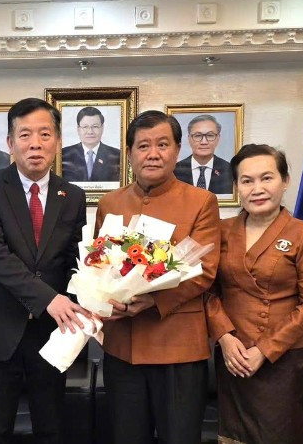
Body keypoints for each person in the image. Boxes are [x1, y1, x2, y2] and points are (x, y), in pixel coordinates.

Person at [0, 98, 89, 444]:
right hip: (0, 328)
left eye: (45, 134)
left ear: (58, 141)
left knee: (51, 427)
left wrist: (87, 301)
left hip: (52, 331)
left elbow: (74, 259)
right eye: (25, 135)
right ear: (10, 143)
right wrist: (49, 299)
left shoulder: (72, 195)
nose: (35, 143)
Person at [94, 110, 221, 444]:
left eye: (162, 145)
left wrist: (154, 299)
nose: (153, 154)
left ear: (177, 150)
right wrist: (104, 296)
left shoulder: (202, 202)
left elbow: (205, 270)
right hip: (123, 347)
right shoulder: (110, 203)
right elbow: (99, 264)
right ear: (130, 153)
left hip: (178, 348)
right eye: (143, 146)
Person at [206, 143, 303, 444]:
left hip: (283, 360)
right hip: (233, 357)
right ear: (237, 187)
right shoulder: (220, 231)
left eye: (267, 178)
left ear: (285, 181)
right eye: (247, 181)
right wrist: (224, 338)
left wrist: (263, 350)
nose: (257, 189)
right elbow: (207, 291)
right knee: (234, 435)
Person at [174, 114, 233, 195]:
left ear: (218, 138)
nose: (204, 142)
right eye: (198, 136)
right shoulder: (174, 171)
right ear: (189, 139)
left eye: (210, 135)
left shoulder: (229, 170)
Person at [61, 106, 121, 183]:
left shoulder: (116, 156)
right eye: (85, 127)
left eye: (95, 127)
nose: (90, 132)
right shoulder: (64, 155)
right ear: (78, 129)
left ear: (102, 128)